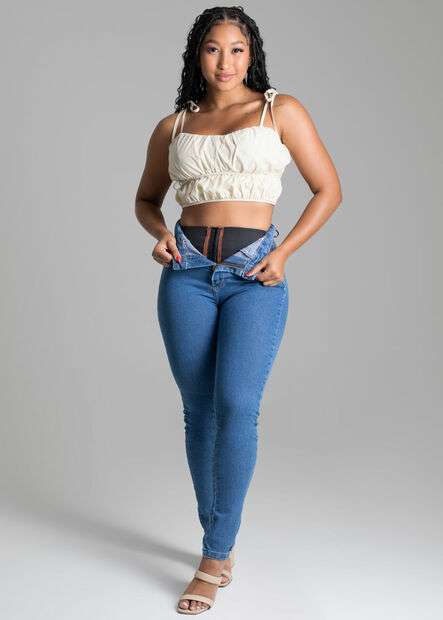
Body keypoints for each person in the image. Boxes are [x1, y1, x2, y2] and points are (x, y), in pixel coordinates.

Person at [135, 6, 342, 615]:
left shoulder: (281, 111)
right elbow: (146, 199)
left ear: (252, 55)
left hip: (255, 273)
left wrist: (286, 252)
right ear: (196, 55)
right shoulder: (174, 126)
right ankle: (216, 542)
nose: (224, 62)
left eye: (236, 49)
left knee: (237, 405)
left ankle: (214, 554)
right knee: (198, 411)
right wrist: (159, 233)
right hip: (187, 273)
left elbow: (328, 189)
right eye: (212, 49)